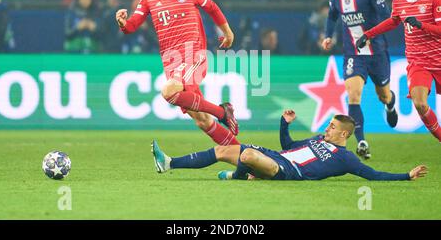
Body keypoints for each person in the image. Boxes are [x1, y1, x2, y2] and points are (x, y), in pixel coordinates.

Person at [115, 0, 239, 146]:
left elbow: (213, 8)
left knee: (168, 92)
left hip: (193, 55)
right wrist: (123, 23)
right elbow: (132, 26)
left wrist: (228, 33)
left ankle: (223, 112)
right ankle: (244, 158)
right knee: (202, 120)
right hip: (171, 62)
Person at [151, 109, 427, 181]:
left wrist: (406, 175)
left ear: (344, 135)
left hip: (286, 172)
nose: (326, 128)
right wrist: (285, 124)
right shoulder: (318, 140)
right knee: (224, 150)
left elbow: (373, 175)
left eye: (331, 127)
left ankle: (242, 176)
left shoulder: (346, 159)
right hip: (278, 156)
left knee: (246, 154)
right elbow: (289, 145)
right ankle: (169, 163)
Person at [321, 0, 398, 160]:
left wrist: (373, 34)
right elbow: (332, 16)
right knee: (353, 96)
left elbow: (387, 18)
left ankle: (390, 102)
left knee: (383, 94)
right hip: (354, 54)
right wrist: (328, 36)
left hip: (377, 53)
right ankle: (361, 141)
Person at [356, 0, 441, 143]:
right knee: (419, 103)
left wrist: (421, 25)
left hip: (439, 59)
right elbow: (394, 21)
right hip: (419, 63)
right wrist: (368, 34)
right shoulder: (398, 0)